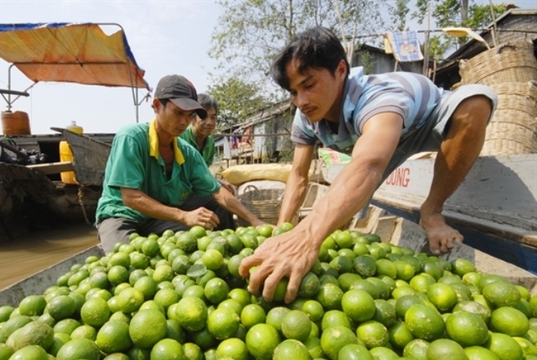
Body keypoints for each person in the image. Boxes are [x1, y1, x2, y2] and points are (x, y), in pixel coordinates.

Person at [239, 27, 497, 303]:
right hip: (377, 146)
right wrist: (283, 232)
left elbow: (369, 162)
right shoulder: (306, 117)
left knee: (475, 102)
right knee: (334, 222)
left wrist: (307, 236)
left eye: (309, 85)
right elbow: (299, 176)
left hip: (425, 125)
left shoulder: (376, 96)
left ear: (340, 70)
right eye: (293, 91)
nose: (301, 101)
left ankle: (432, 211)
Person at [95, 74, 265, 253]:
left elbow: (217, 191)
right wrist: (183, 216)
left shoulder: (187, 152)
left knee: (205, 241)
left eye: (189, 115)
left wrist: (255, 221)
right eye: (178, 113)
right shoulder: (131, 137)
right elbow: (130, 197)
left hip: (157, 218)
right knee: (124, 261)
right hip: (122, 215)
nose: (184, 122)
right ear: (157, 106)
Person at [180, 93, 236, 194]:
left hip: (197, 190)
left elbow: (203, 173)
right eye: (203, 117)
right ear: (192, 119)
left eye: (213, 117)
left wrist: (217, 182)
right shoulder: (181, 138)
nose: (209, 122)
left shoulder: (210, 142)